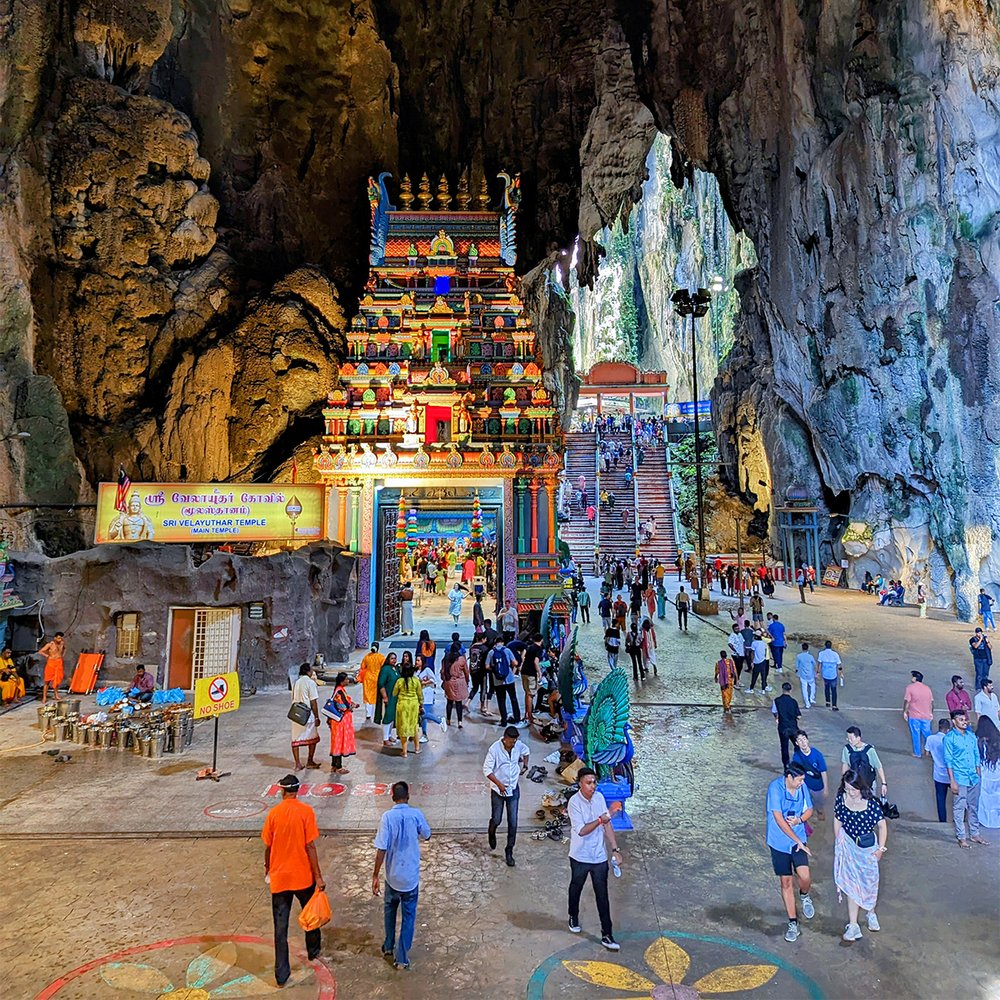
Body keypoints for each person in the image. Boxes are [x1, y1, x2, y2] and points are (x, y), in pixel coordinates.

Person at [262, 773, 325, 986]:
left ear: (282, 792)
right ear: (298, 791)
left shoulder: (273, 814)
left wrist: (268, 869)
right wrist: (318, 876)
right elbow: (310, 846)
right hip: (303, 876)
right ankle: (313, 950)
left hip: (280, 878)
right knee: (310, 916)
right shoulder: (306, 812)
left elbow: (268, 847)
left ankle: (281, 973)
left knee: (280, 927)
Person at [373, 781, 432, 970]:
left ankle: (388, 946)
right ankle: (402, 958)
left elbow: (381, 848)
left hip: (392, 877)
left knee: (389, 912)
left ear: (392, 796)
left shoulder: (387, 817)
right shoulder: (416, 814)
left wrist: (375, 875)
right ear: (409, 795)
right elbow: (427, 834)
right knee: (408, 917)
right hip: (410, 879)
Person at [567, 767, 622, 951]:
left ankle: (607, 934)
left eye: (594, 782)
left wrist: (614, 849)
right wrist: (603, 818)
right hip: (580, 856)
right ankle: (573, 915)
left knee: (602, 896)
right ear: (580, 784)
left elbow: (607, 825)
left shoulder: (598, 798)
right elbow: (582, 830)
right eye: (588, 783)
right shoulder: (574, 803)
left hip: (598, 857)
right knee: (576, 887)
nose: (592, 786)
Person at [834, 769, 888, 941]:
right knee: (852, 884)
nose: (850, 792)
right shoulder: (841, 800)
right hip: (849, 847)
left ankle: (870, 913)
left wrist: (880, 849)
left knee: (869, 883)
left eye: (853, 789)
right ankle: (853, 925)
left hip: (867, 849)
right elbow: (837, 819)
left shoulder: (871, 803)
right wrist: (839, 841)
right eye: (847, 788)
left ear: (860, 787)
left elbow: (882, 826)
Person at [765, 762, 815, 943]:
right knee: (786, 882)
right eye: (799, 780)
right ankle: (793, 923)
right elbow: (778, 819)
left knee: (805, 876)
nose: (802, 783)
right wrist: (796, 840)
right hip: (779, 842)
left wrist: (799, 820)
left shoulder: (802, 788)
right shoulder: (775, 789)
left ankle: (804, 895)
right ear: (789, 777)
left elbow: (809, 809)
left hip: (798, 839)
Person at [483, 725, 529, 867]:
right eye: (511, 741)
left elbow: (526, 752)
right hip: (498, 791)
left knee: (513, 822)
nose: (513, 744)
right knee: (497, 818)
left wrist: (525, 765)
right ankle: (492, 830)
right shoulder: (494, 749)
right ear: (505, 738)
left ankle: (509, 850)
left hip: (513, 789)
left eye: (515, 741)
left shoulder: (518, 745)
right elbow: (487, 769)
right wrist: (499, 784)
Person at [945, 709, 989, 848]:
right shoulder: (949, 738)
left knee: (973, 806)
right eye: (961, 720)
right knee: (959, 808)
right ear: (953, 721)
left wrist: (978, 771)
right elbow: (948, 760)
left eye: (965, 720)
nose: (964, 722)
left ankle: (974, 834)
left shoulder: (971, 737)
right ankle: (961, 836)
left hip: (973, 778)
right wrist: (952, 780)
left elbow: (976, 754)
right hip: (959, 777)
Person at [841, 726, 888, 802]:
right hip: (854, 785)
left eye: (851, 739)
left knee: (870, 803)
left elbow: (879, 766)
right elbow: (845, 764)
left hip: (869, 784)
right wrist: (844, 781)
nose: (849, 741)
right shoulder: (846, 749)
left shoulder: (870, 750)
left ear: (858, 738)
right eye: (848, 739)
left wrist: (884, 783)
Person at [290, 663, 322, 771]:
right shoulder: (310, 683)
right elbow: (313, 702)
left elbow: (293, 698)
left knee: (295, 739)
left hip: (296, 713)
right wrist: (317, 717)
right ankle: (310, 761)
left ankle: (297, 763)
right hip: (307, 714)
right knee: (312, 737)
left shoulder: (296, 683)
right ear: (308, 672)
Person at [792, 731, 828, 819]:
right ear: (796, 743)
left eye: (804, 739)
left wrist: (826, 788)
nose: (803, 742)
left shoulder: (817, 754)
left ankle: (821, 818)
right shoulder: (796, 757)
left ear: (807, 740)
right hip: (805, 786)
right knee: (806, 807)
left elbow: (823, 772)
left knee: (819, 806)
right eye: (800, 740)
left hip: (818, 786)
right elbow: (796, 774)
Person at [327, 672, 357, 774]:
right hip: (340, 722)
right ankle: (338, 766)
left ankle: (334, 765)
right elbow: (343, 707)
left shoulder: (338, 690)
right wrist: (352, 706)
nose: (348, 681)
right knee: (339, 743)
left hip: (337, 722)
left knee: (336, 742)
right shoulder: (340, 692)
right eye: (347, 679)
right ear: (342, 681)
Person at [393, 662, 423, 758]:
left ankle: (404, 752)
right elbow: (420, 695)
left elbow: (394, 693)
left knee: (403, 727)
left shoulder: (399, 681)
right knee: (415, 726)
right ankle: (417, 748)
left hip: (402, 705)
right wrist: (421, 704)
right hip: (414, 705)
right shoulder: (416, 681)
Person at [925, 718, 953, 822]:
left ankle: (942, 821)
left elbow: (927, 754)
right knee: (960, 798)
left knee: (941, 799)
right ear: (948, 729)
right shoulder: (951, 740)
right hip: (952, 775)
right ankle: (960, 819)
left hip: (938, 775)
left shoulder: (931, 739)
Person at [975, 716, 1000, 828]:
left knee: (984, 799)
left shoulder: (977, 741)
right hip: (997, 773)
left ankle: (986, 820)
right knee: (996, 798)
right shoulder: (997, 740)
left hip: (984, 774)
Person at [902, 670, 934, 757]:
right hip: (926, 715)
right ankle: (932, 751)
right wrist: (931, 713)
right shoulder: (927, 688)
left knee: (915, 734)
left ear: (915, 678)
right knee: (928, 734)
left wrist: (905, 712)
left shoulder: (910, 688)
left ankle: (917, 753)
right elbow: (931, 703)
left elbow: (907, 701)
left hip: (914, 715)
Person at [490, 639, 522, 727]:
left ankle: (503, 721)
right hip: (509, 679)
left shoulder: (491, 652)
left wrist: (496, 671)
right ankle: (517, 719)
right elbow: (515, 663)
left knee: (501, 700)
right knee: (513, 698)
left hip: (497, 681)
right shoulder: (507, 650)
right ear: (503, 642)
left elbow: (487, 666)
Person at [772, 683, 802, 766]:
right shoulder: (794, 702)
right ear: (790, 690)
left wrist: (777, 717)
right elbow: (799, 716)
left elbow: (774, 711)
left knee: (784, 747)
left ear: (782, 689)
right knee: (797, 745)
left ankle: (786, 765)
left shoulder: (777, 700)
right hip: (793, 727)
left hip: (783, 727)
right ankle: (798, 762)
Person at [375, 652, 401, 748]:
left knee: (392, 717)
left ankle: (389, 735)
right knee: (388, 717)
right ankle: (385, 739)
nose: (394, 660)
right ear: (388, 659)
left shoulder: (395, 669)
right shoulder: (385, 669)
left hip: (396, 697)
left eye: (395, 658)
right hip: (389, 696)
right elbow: (381, 683)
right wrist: (385, 697)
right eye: (392, 658)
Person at [417, 656, 446, 742]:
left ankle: (439, 720)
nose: (416, 662)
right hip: (420, 695)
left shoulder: (427, 670)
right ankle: (424, 734)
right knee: (423, 715)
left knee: (423, 714)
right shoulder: (416, 671)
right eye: (416, 660)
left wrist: (424, 682)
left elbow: (433, 680)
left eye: (418, 660)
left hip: (427, 695)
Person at [442, 642, 470, 728]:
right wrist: (467, 681)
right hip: (459, 682)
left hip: (449, 681)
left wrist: (444, 680)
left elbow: (443, 671)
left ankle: (448, 720)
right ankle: (460, 722)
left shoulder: (445, 659)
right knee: (459, 702)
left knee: (449, 701)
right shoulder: (461, 659)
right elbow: (466, 672)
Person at [357, 643, 385, 724]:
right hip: (377, 678)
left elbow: (362, 667)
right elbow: (384, 667)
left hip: (368, 678)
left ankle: (368, 713)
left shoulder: (366, 657)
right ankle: (376, 713)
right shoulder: (381, 657)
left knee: (367, 696)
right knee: (376, 696)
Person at [38, 631, 66, 705]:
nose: (60, 640)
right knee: (47, 681)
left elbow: (64, 650)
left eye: (61, 638)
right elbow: (41, 651)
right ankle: (44, 697)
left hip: (59, 662)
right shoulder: (50, 644)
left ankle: (56, 695)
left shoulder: (62, 644)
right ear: (55, 638)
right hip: (51, 663)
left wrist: (62, 656)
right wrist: (47, 656)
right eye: (59, 638)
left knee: (57, 680)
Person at [818, 640, 843, 710]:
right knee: (834, 690)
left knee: (826, 688)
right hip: (833, 675)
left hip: (825, 674)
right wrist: (841, 673)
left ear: (825, 646)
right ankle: (834, 705)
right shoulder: (835, 654)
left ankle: (827, 701)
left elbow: (819, 664)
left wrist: (818, 672)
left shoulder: (821, 653)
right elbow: (839, 665)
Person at [794, 643, 816, 708]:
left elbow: (797, 666)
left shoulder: (799, 656)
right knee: (812, 686)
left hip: (802, 675)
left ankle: (807, 703)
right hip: (810, 674)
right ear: (807, 648)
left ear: (802, 648)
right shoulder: (810, 656)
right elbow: (814, 664)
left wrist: (797, 671)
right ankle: (812, 698)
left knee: (804, 689)